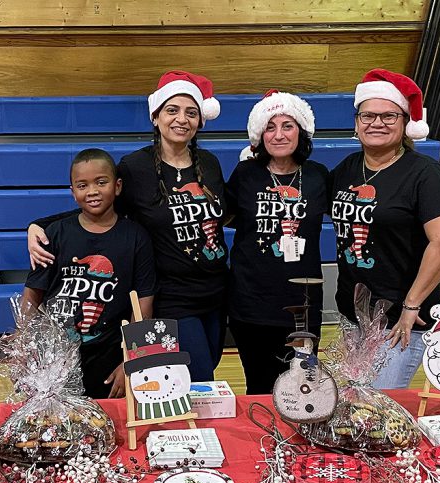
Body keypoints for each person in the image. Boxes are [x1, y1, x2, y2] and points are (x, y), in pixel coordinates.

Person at [28, 71, 227, 382]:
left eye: (191, 112)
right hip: (171, 296)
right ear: (156, 116)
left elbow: (220, 215)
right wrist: (38, 224)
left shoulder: (211, 164)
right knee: (199, 377)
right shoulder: (135, 168)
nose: (181, 119)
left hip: (216, 293)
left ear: (201, 120)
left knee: (208, 368)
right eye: (172, 110)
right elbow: (97, 201)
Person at [329, 68, 440, 389]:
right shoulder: (348, 168)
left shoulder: (424, 174)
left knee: (380, 407)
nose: (376, 123)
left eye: (388, 116)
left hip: (402, 319)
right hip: (354, 314)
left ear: (405, 123)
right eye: (367, 116)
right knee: (355, 403)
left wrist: (411, 305)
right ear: (357, 122)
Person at [22, 148, 156, 399]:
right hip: (56, 359)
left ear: (117, 187)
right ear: (73, 193)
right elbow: (32, 295)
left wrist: (131, 361)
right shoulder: (55, 233)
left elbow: (143, 308)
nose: (92, 191)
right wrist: (26, 346)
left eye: (101, 182)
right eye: (82, 185)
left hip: (110, 358)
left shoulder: (137, 237)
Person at [225, 90, 328, 395]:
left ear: (302, 131)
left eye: (287, 126)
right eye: (270, 127)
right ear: (260, 135)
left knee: (300, 385)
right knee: (258, 384)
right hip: (250, 302)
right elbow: (224, 217)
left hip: (302, 303)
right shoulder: (245, 174)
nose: (279, 134)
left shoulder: (318, 176)